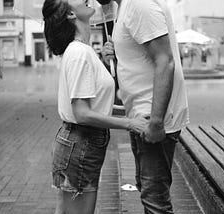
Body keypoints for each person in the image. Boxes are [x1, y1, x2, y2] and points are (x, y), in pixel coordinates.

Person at [42, 0, 148, 214]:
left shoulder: (83, 51)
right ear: (71, 14)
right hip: (81, 145)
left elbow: (96, 105)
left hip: (77, 144)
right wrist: (130, 123)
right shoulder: (80, 52)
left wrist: (132, 111)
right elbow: (82, 114)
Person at [98, 0, 190, 213]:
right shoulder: (124, 7)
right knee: (147, 191)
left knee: (155, 202)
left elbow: (165, 61)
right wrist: (114, 54)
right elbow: (140, 58)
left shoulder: (139, 4)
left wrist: (156, 122)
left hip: (152, 118)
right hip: (141, 117)